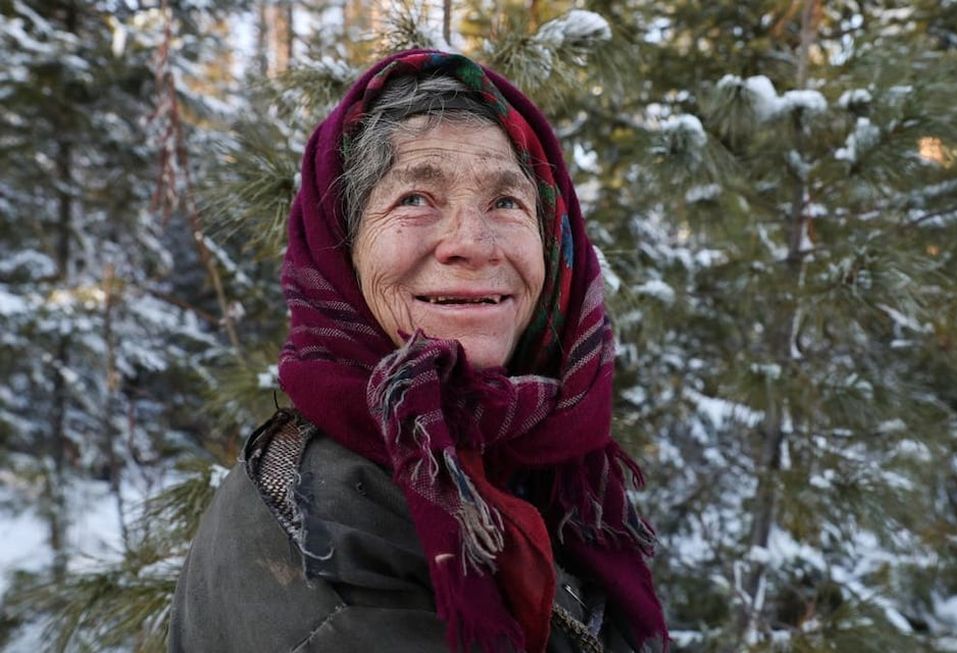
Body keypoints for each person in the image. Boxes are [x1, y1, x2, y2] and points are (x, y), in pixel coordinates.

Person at [169, 50, 669, 653]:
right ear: (340, 248)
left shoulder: (538, 464)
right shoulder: (333, 550)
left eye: (506, 202)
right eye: (415, 199)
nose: (471, 244)